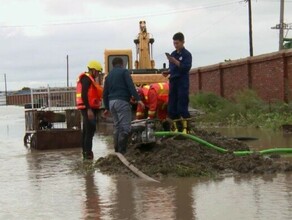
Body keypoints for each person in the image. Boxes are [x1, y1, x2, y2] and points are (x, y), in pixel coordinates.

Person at [103, 57, 144, 154]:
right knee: (125, 128)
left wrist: (106, 108)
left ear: (113, 65)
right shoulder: (124, 72)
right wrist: (138, 100)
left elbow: (105, 93)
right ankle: (122, 152)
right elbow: (131, 86)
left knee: (117, 126)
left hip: (111, 103)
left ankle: (116, 150)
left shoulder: (108, 76)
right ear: (122, 64)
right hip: (122, 102)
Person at [162, 32, 192, 133]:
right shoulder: (173, 54)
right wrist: (167, 72)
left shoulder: (187, 55)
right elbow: (173, 69)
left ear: (183, 42)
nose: (175, 45)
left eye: (177, 43)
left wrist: (175, 61)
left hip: (182, 82)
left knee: (182, 106)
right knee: (171, 107)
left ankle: (186, 129)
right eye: (174, 43)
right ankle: (175, 129)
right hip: (173, 82)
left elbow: (185, 68)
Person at [76, 60, 103, 160]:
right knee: (89, 131)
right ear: (94, 70)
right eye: (98, 72)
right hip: (88, 108)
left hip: (88, 108)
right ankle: (87, 154)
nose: (98, 74)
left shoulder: (87, 79)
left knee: (87, 131)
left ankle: (86, 153)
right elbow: (84, 94)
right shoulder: (86, 79)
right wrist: (89, 109)